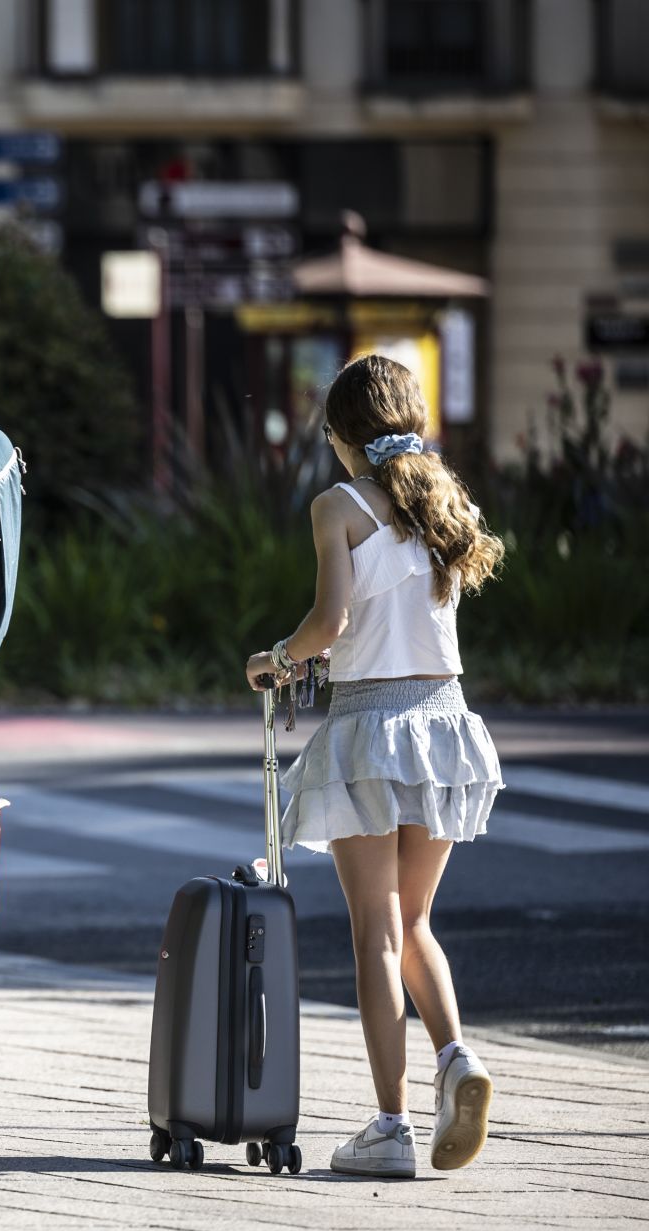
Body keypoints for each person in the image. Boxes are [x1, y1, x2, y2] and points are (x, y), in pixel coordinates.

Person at [245, 354, 505, 1179]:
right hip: (445, 723)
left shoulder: (339, 505)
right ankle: (456, 1057)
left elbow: (331, 620)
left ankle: (390, 1126)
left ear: (340, 437)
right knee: (417, 921)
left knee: (373, 933)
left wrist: (277, 660)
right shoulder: (445, 500)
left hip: (370, 726)